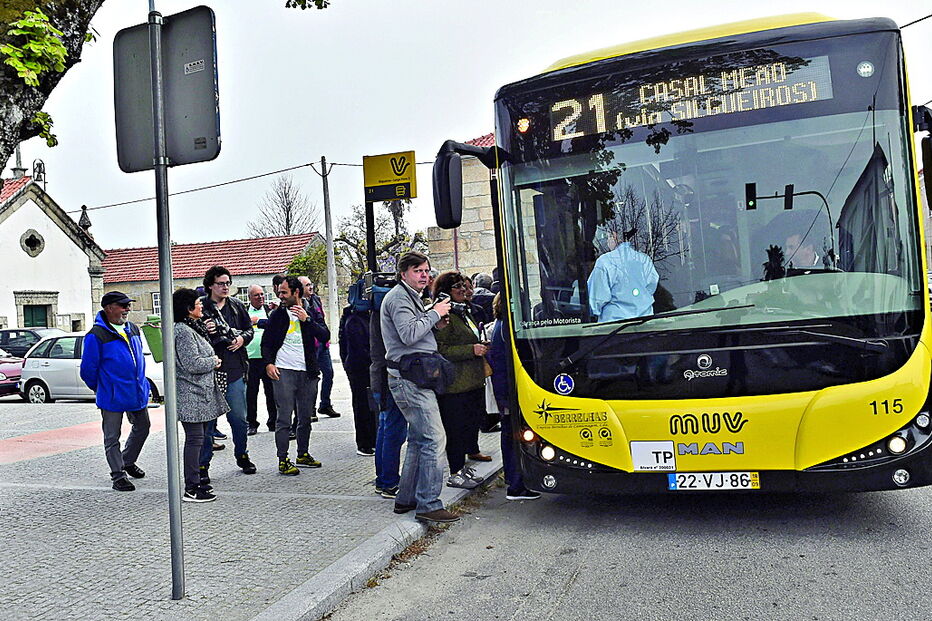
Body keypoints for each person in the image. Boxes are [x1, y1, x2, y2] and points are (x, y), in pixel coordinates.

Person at [382, 251, 459, 524]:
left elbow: (417, 329)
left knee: (418, 439)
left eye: (426, 270)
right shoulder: (399, 298)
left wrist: (434, 321)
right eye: (417, 271)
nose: (425, 275)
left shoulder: (410, 296)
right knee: (435, 439)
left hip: (415, 375)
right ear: (403, 274)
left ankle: (407, 498)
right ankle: (429, 503)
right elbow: (409, 334)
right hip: (409, 377)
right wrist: (434, 313)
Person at [79, 291, 151, 491]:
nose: (127, 309)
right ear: (109, 308)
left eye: (128, 305)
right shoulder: (96, 335)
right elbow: (88, 370)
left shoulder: (133, 328)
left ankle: (127, 461)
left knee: (143, 427)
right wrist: (102, 387)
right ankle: (118, 475)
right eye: (123, 305)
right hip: (112, 395)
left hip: (136, 391)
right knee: (112, 437)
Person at [262, 275, 330, 475]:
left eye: (284, 292)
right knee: (284, 417)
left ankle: (303, 453)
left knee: (305, 417)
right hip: (284, 371)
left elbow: (325, 335)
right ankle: (283, 459)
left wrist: (306, 320)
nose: (280, 296)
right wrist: (268, 364)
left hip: (307, 372)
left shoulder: (310, 312)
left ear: (296, 293)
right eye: (280, 292)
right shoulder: (278, 315)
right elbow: (267, 342)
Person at [432, 271, 490, 490]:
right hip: (455, 385)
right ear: (446, 291)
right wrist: (470, 350)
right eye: (458, 287)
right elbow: (441, 349)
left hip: (472, 381)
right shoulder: (444, 315)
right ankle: (455, 471)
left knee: (468, 426)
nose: (464, 291)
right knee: (455, 431)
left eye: (466, 287)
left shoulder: (465, 311)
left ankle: (463, 469)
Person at [200, 265, 257, 477]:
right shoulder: (201, 307)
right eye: (220, 284)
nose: (225, 287)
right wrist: (205, 330)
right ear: (210, 285)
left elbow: (249, 329)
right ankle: (203, 465)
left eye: (227, 283)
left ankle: (242, 455)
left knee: (239, 419)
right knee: (208, 423)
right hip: (210, 372)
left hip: (234, 369)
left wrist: (243, 339)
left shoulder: (236, 305)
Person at [173, 288, 227, 503]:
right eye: (197, 303)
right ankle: (192, 487)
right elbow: (192, 364)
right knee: (194, 440)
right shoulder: (183, 331)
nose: (201, 305)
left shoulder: (191, 327)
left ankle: (197, 480)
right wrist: (213, 361)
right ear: (187, 309)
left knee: (200, 439)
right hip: (191, 393)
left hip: (200, 393)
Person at [487, 293, 540, 500]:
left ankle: (513, 479)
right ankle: (517, 485)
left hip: (503, 389)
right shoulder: (507, 329)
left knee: (509, 435)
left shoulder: (499, 326)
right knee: (515, 436)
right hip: (509, 390)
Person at [371, 279, 408, 500]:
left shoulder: (376, 311)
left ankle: (384, 479)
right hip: (388, 376)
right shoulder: (389, 309)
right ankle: (388, 481)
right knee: (393, 430)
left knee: (386, 428)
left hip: (379, 374)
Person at [587, 226, 659, 322]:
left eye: (608, 237)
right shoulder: (644, 259)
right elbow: (651, 287)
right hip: (646, 325)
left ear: (615, 236)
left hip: (614, 330)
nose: (608, 242)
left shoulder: (605, 262)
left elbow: (596, 301)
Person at [339, 284, 375, 456]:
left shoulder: (368, 315)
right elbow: (353, 347)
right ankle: (365, 442)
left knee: (371, 406)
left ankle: (372, 439)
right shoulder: (353, 317)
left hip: (366, 366)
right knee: (362, 405)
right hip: (359, 368)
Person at [299, 276, 340, 419]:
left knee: (328, 373)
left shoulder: (315, 299)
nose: (310, 287)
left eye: (311, 284)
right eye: (307, 285)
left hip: (322, 344)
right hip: (311, 346)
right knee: (312, 377)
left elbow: (321, 319)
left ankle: (325, 404)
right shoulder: (299, 304)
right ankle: (310, 408)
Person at [245, 284, 276, 434]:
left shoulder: (270, 311)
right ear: (250, 297)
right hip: (251, 359)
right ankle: (251, 423)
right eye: (256, 295)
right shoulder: (244, 313)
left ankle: (273, 422)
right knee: (251, 393)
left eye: (262, 294)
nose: (260, 297)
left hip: (267, 358)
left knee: (271, 392)